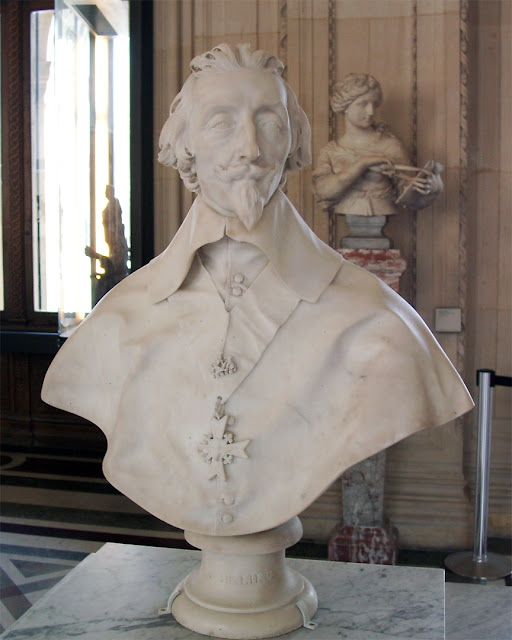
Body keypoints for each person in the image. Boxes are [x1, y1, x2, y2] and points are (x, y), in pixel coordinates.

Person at [42, 44, 473, 537]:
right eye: (221, 122)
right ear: (186, 147)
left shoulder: (377, 322)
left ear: (293, 143)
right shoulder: (119, 319)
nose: (250, 149)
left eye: (269, 121)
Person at [313, 73, 443, 217]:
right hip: (348, 211)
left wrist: (434, 187)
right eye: (363, 104)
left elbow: (410, 191)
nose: (371, 111)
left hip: (382, 210)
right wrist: (363, 164)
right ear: (345, 106)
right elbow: (324, 191)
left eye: (374, 104)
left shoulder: (390, 145)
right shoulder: (331, 151)